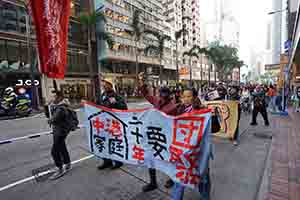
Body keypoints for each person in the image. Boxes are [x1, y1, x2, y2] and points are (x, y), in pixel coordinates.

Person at [138, 72, 178, 192]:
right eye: (161, 93)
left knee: (169, 159)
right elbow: (146, 94)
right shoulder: (157, 102)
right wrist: (141, 81)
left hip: (167, 137)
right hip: (154, 135)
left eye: (164, 93)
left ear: (169, 95)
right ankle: (153, 182)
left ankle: (172, 179)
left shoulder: (173, 107)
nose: (162, 95)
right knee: (150, 158)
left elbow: (176, 122)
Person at [172, 87, 212, 200]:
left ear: (194, 97)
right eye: (183, 96)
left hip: (199, 151)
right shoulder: (179, 109)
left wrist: (211, 116)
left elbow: (213, 128)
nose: (186, 99)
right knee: (180, 176)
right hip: (183, 150)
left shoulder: (201, 110)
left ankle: (205, 197)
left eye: (188, 96)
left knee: (202, 175)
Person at [96, 78, 128, 170]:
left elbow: (124, 108)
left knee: (113, 143)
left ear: (110, 85)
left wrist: (115, 103)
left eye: (106, 84)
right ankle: (107, 161)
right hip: (103, 123)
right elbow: (97, 106)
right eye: (103, 84)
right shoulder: (102, 95)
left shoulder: (116, 96)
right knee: (104, 142)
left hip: (113, 123)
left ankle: (118, 161)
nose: (104, 85)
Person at [48, 91, 72, 180]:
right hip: (59, 131)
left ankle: (60, 169)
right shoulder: (58, 106)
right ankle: (67, 163)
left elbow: (52, 119)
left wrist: (50, 119)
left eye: (54, 97)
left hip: (60, 132)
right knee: (62, 147)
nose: (52, 98)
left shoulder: (61, 108)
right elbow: (49, 116)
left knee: (54, 151)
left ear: (59, 97)